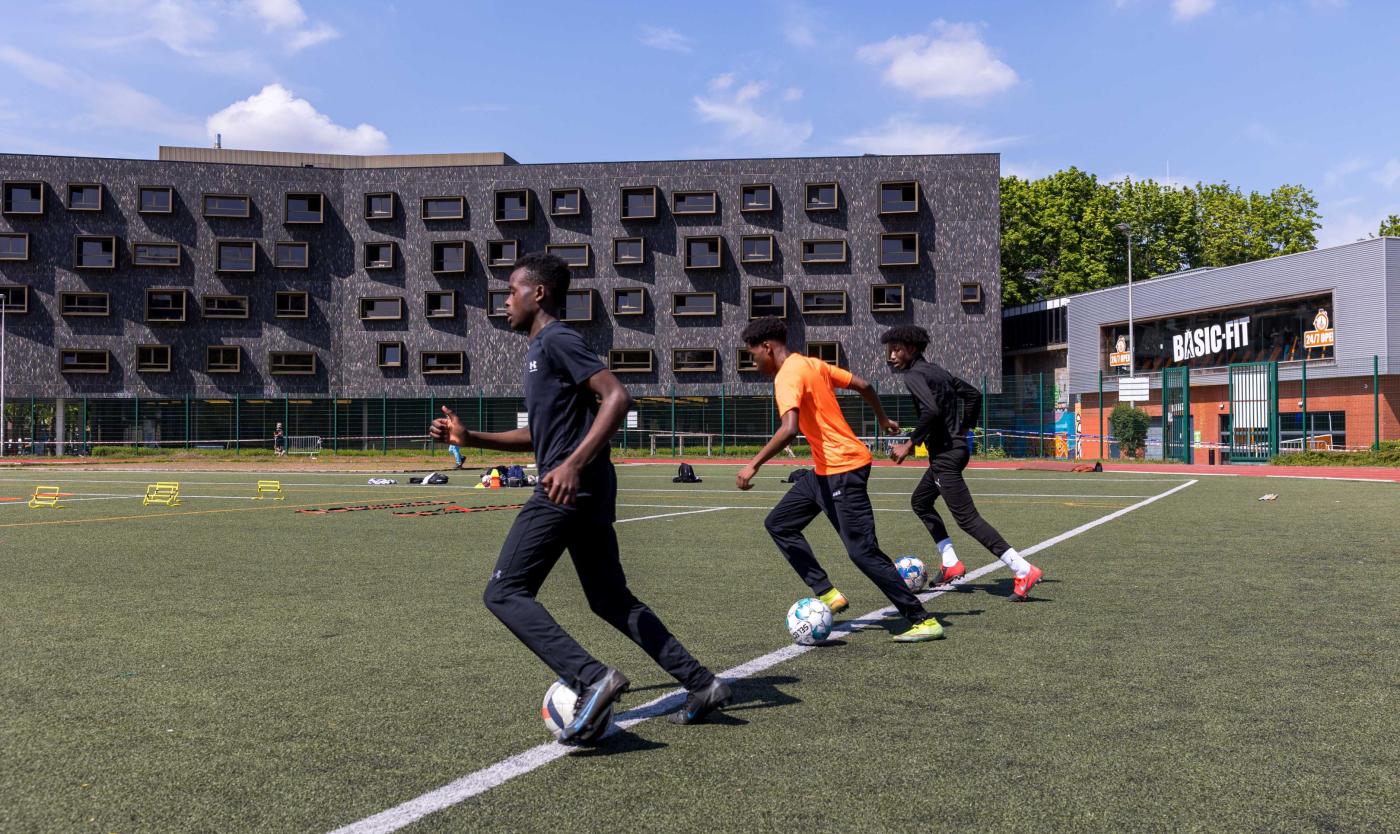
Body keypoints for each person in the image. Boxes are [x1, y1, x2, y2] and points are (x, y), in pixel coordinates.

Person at [430, 252, 730, 740]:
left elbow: (618, 397)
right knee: (610, 599)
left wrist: (570, 464)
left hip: (566, 487)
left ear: (538, 293)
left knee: (504, 592)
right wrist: (471, 438)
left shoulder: (557, 340)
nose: (505, 300)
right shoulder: (538, 351)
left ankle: (592, 677)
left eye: (511, 291)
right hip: (583, 486)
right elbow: (542, 437)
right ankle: (701, 683)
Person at [737, 317, 945, 642]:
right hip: (824, 472)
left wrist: (753, 465)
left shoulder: (787, 376)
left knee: (862, 551)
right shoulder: (812, 364)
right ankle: (827, 592)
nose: (754, 362)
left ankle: (922, 619)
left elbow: (789, 428)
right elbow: (863, 385)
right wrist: (882, 418)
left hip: (843, 470)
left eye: (753, 355)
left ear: (767, 347)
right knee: (779, 523)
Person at [880, 325, 1043, 601]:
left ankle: (1022, 568)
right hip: (955, 449)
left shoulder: (914, 376)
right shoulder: (938, 372)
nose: (891, 355)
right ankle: (950, 562)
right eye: (889, 350)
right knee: (920, 501)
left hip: (945, 455)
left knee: (967, 519)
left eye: (896, 349)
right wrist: (964, 429)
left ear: (912, 349)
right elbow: (974, 395)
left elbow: (931, 410)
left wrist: (909, 443)